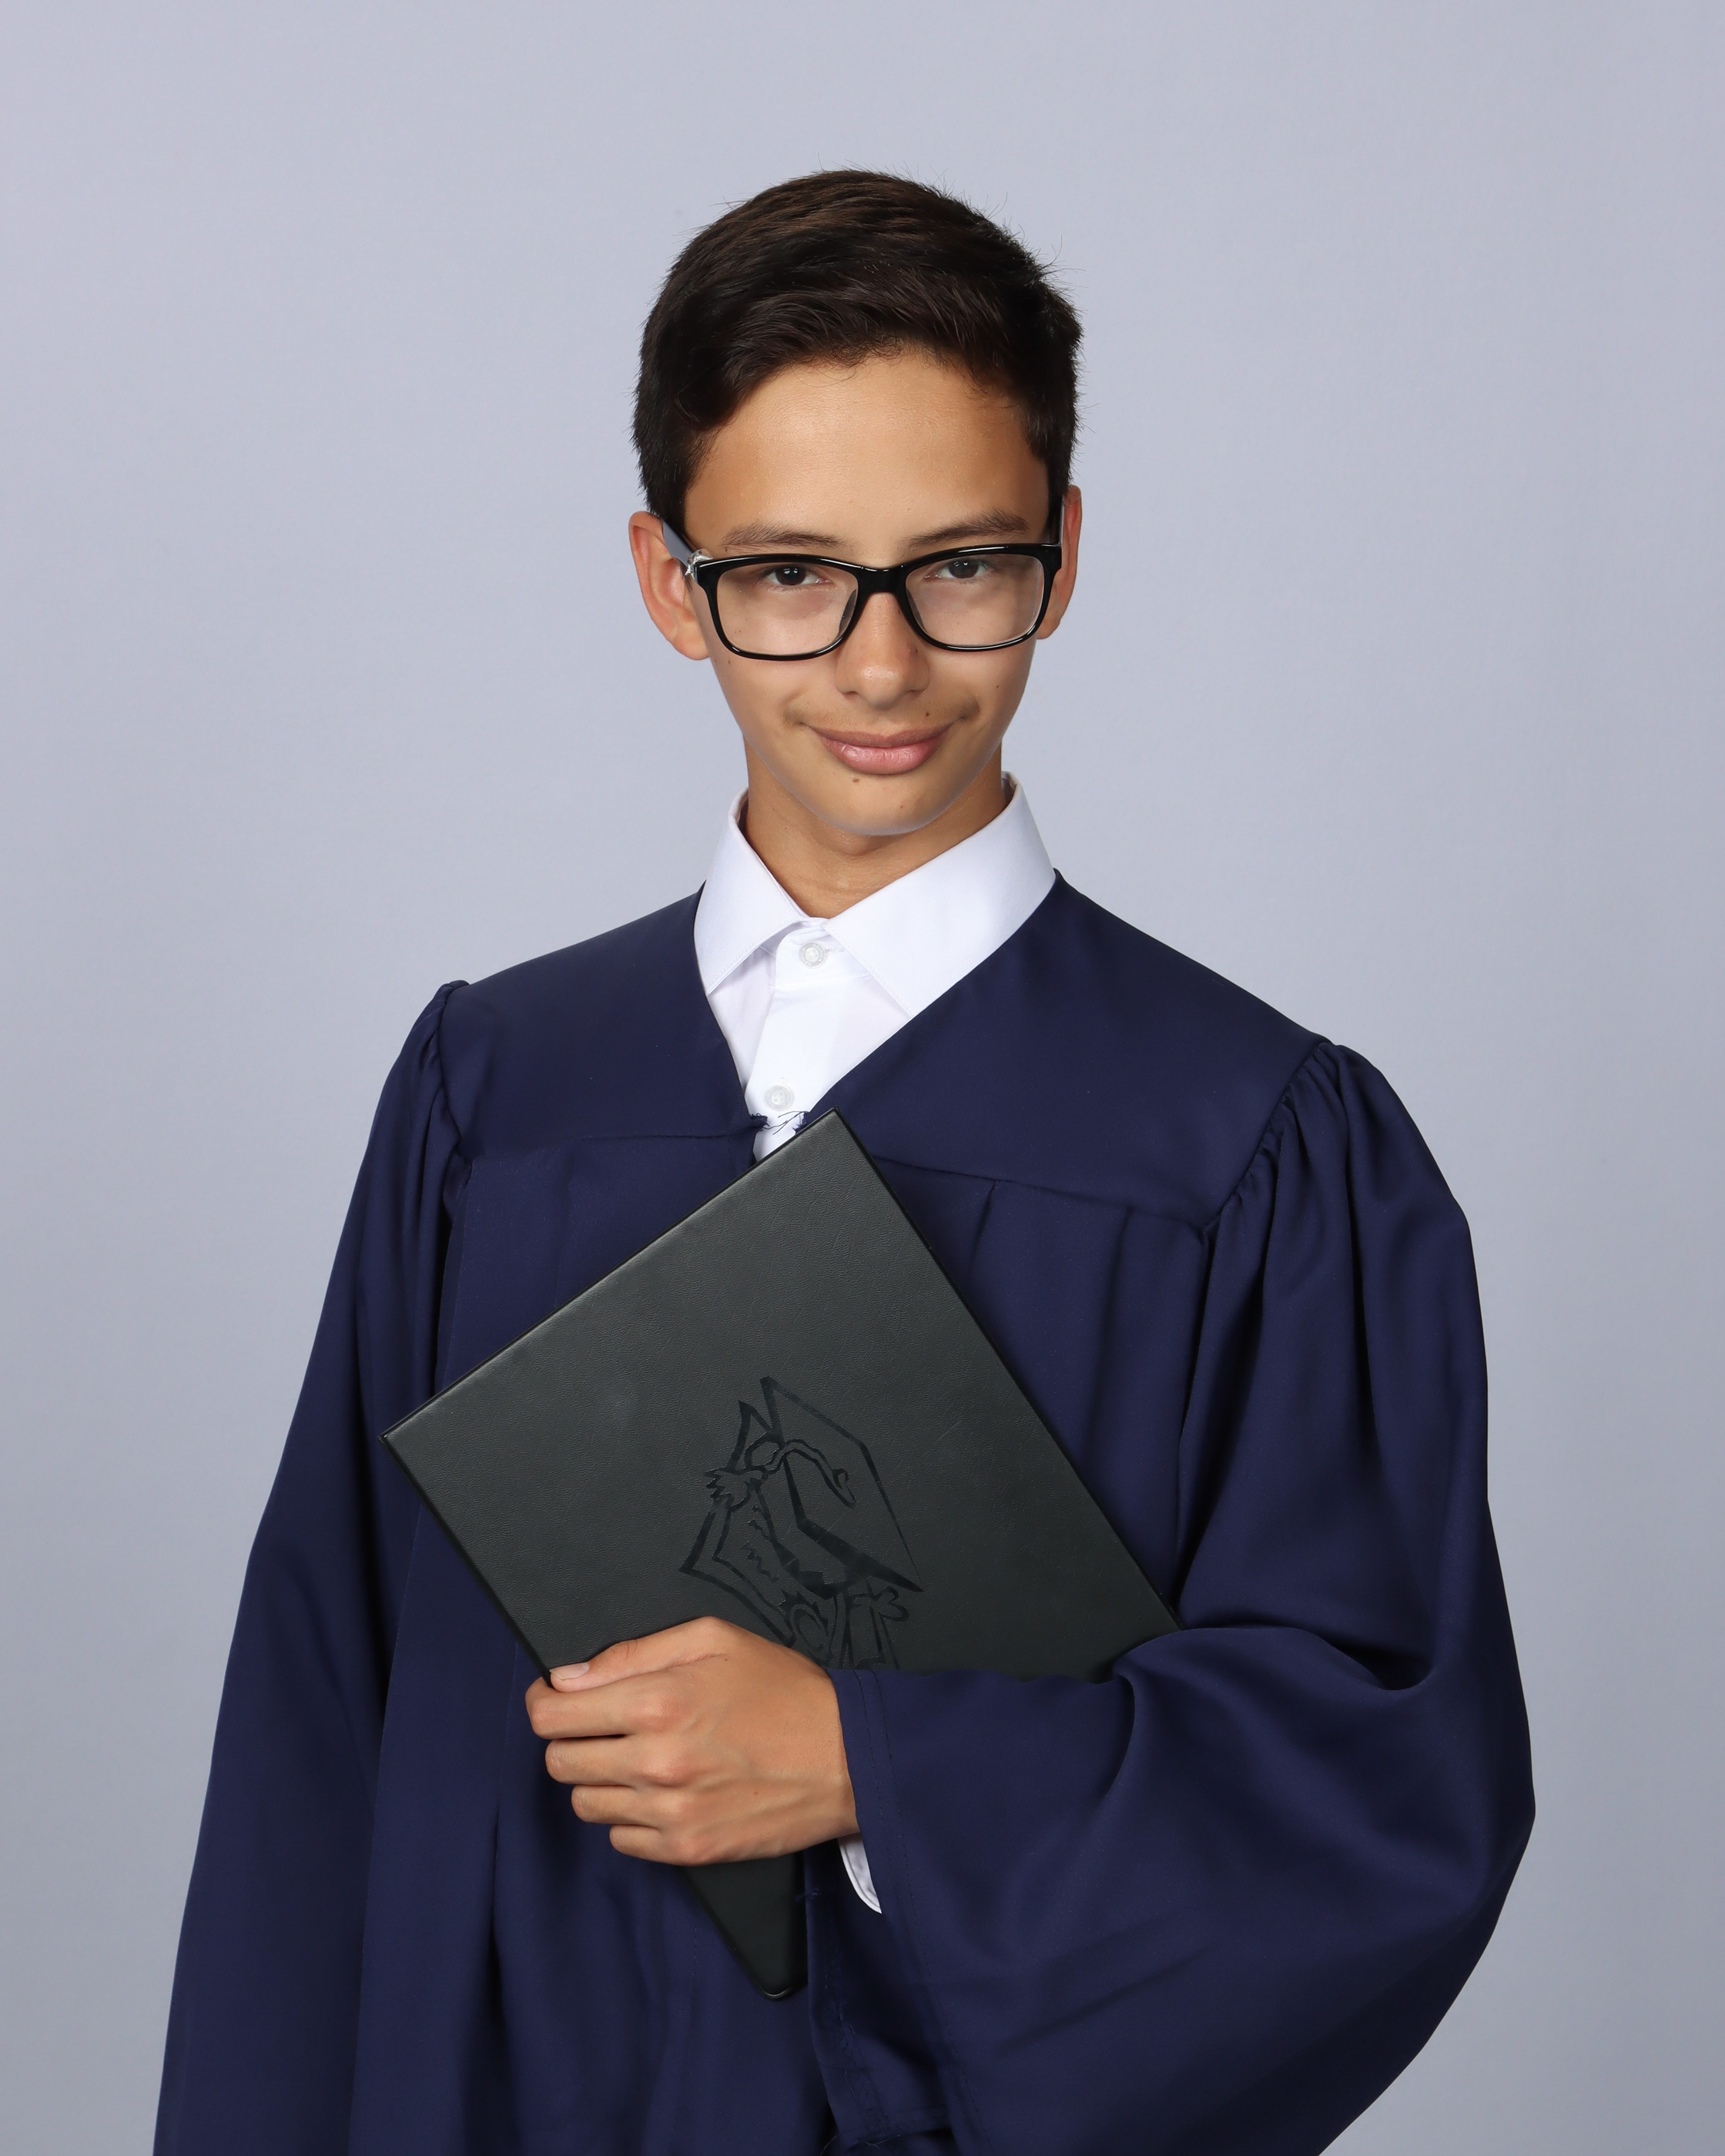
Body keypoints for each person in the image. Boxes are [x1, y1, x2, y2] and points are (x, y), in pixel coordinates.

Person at [155, 171, 1533, 2156]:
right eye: (790, 574)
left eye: (958, 565)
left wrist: (878, 1764)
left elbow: (1383, 1794)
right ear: (670, 580)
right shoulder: (496, 1092)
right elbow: (316, 1723)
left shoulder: (1252, 1149)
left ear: (1061, 555)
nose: (881, 665)